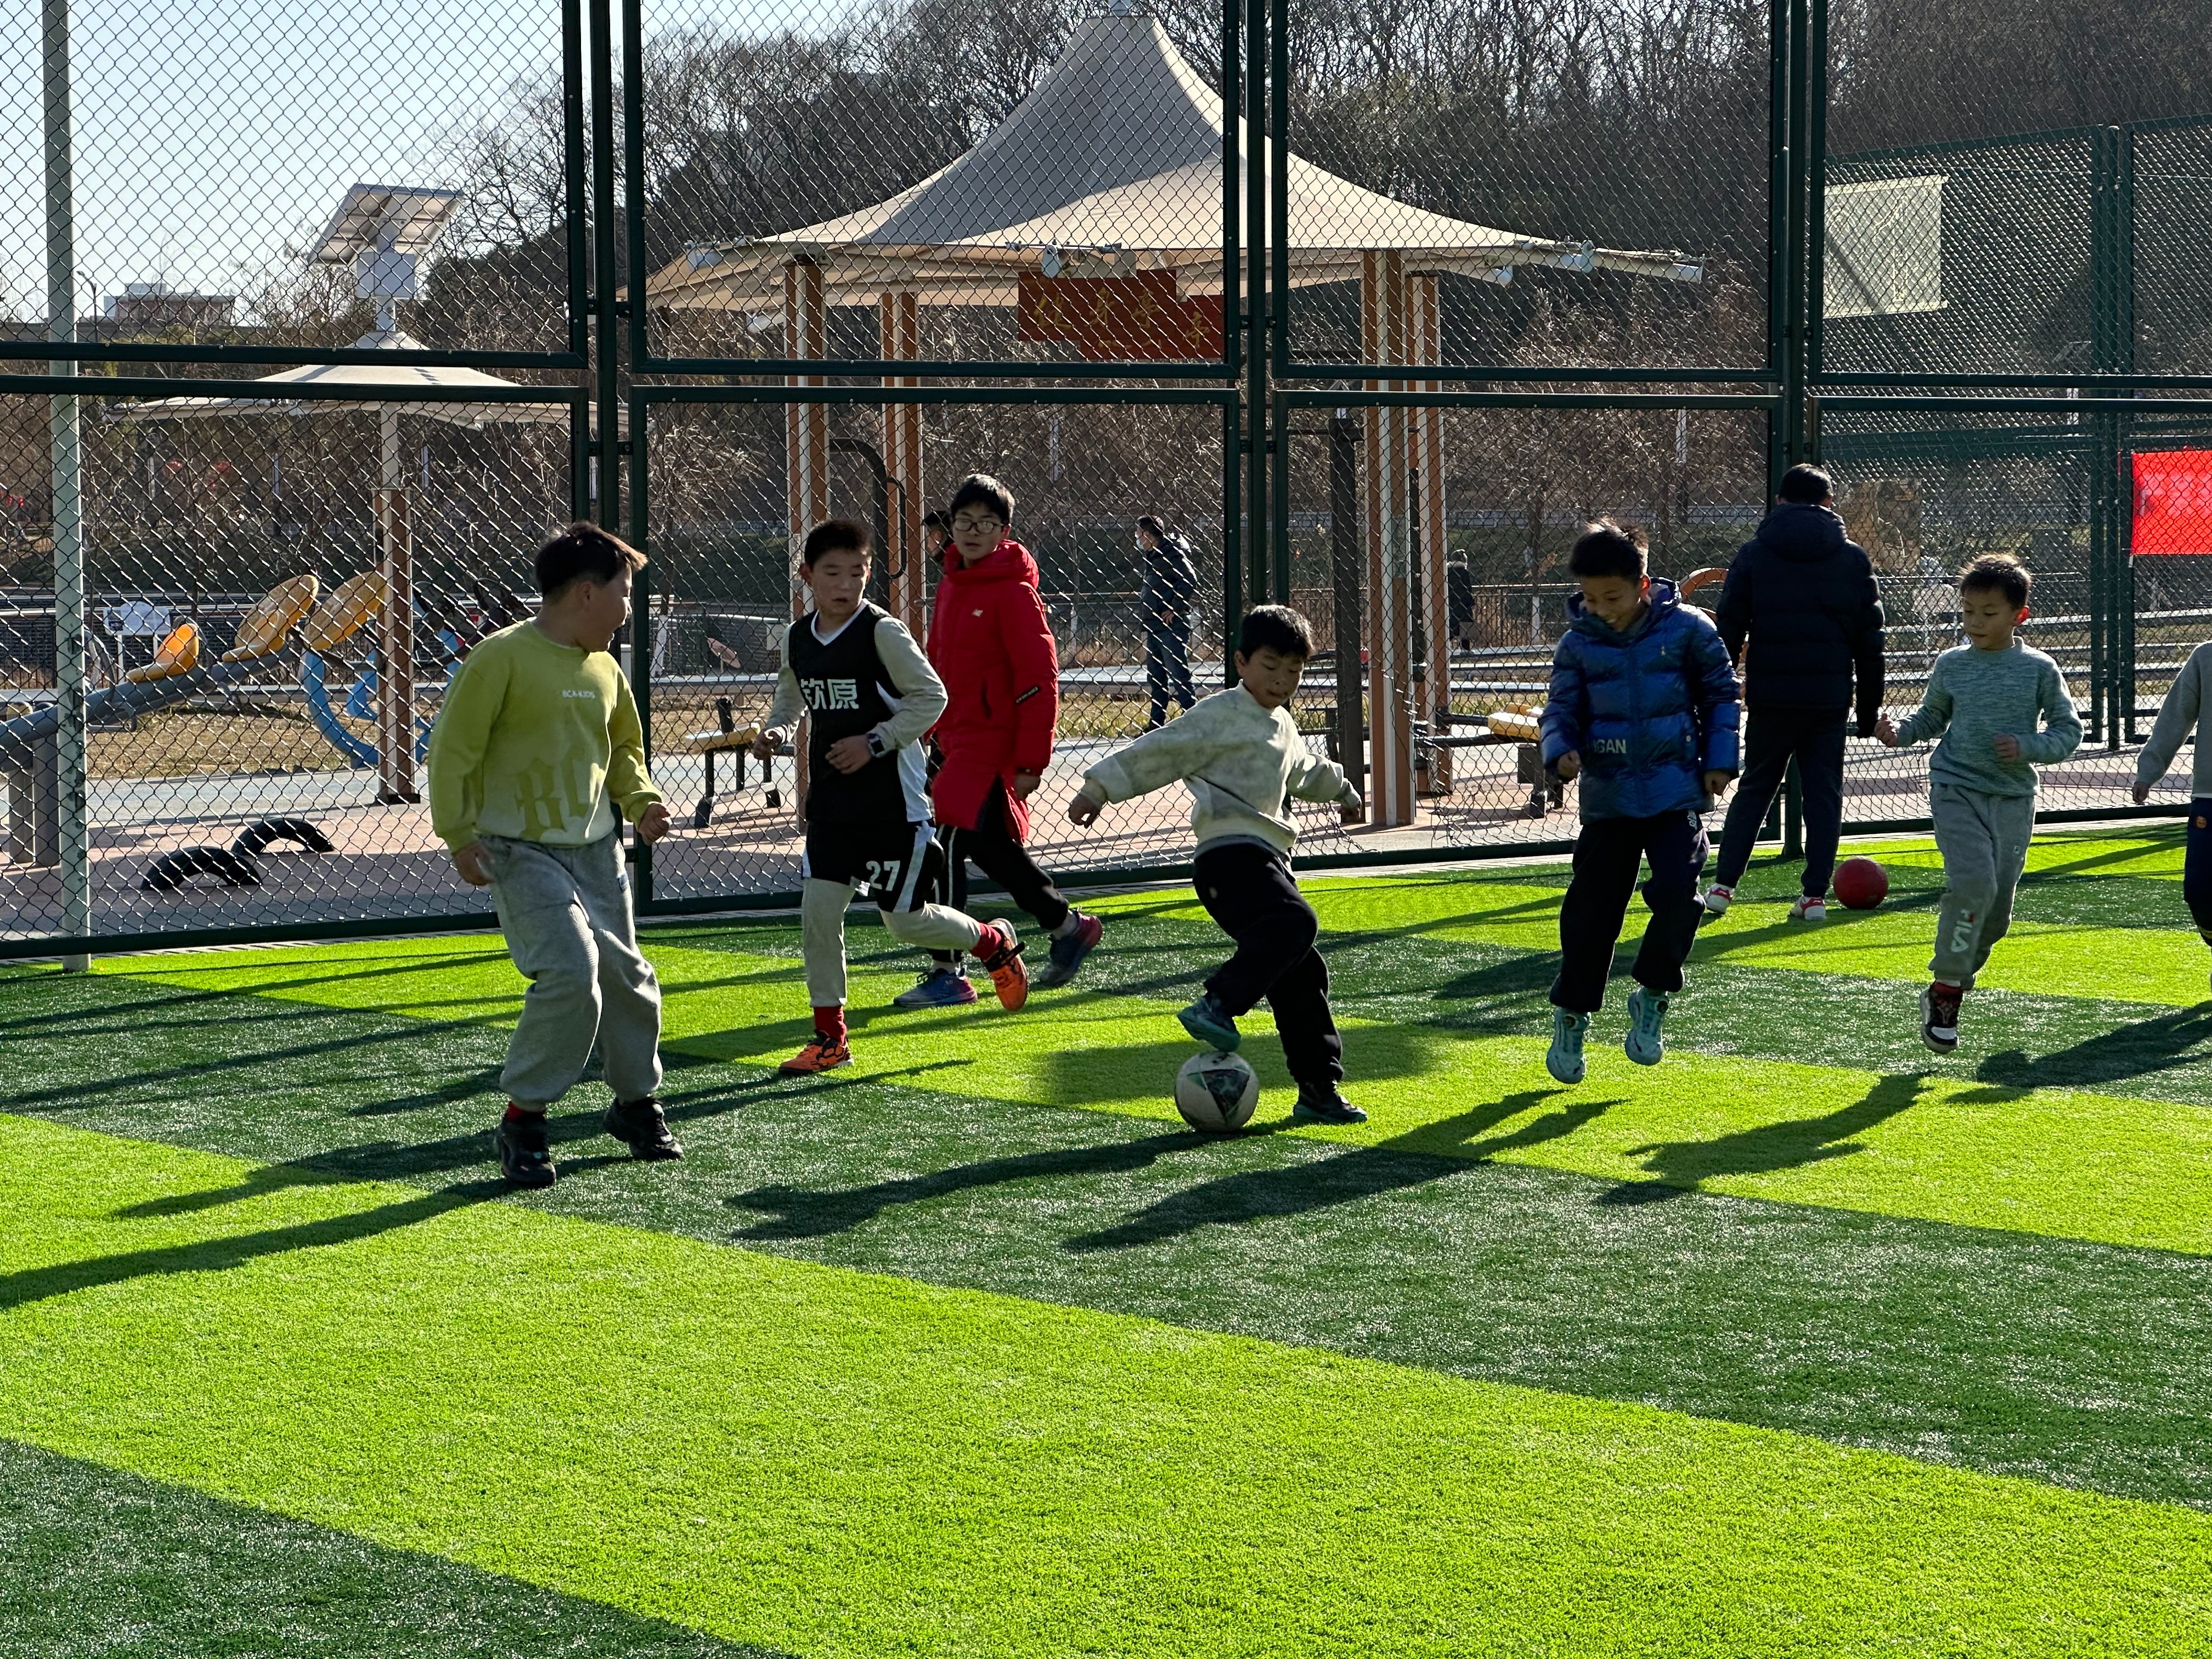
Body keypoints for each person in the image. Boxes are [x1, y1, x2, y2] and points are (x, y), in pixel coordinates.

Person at [426, 522, 680, 1189]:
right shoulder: (499, 658)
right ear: (587, 594)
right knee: (572, 971)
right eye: (625, 593)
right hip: (518, 851)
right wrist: (459, 835)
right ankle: (524, 1121)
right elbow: (453, 752)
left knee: (627, 976)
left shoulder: (606, 669)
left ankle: (635, 1104)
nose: (628, 609)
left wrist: (643, 802)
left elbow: (623, 751)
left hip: (597, 851)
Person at [1068, 605, 1368, 1124]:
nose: (1282, 680)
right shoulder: (1219, 714)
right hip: (1229, 860)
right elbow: (1160, 750)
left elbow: (1304, 769)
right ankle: (1218, 1003)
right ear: (1241, 662)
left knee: (1301, 970)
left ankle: (1318, 1089)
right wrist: (1098, 789)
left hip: (1268, 860)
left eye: (1294, 671)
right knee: (1296, 922)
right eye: (1270, 666)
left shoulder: (1283, 724)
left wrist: (1342, 789)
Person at [753, 520, 1028, 1073]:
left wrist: (875, 742)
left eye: (856, 573)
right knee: (818, 916)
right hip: (833, 806)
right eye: (832, 573)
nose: (844, 584)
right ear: (807, 575)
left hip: (892, 806)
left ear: (868, 573)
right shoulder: (798, 637)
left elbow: (933, 698)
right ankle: (831, 1038)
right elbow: (792, 696)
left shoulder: (882, 632)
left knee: (903, 920)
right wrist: (777, 730)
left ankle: (990, 942)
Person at [1539, 521, 1740, 1085]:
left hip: (1677, 794)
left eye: (1613, 597)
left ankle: (1652, 994)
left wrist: (1719, 761)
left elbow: (1722, 695)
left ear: (1642, 585)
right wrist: (1560, 752)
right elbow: (1560, 709)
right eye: (1591, 598)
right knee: (1592, 912)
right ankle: (1572, 1013)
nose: (1601, 609)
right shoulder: (1578, 644)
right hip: (1610, 799)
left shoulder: (1690, 629)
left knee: (1679, 896)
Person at [1875, 552, 2080, 1053]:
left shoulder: (2039, 668)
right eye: (1968, 611)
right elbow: (1932, 717)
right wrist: (1900, 732)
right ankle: (1946, 991)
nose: (1975, 622)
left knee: (1997, 910)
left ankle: (1953, 983)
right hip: (1956, 788)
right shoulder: (1952, 664)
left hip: (2013, 798)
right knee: (1974, 884)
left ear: (2019, 615)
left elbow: (2068, 731)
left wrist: (2028, 746)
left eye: (1988, 613)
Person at [911, 472, 1104, 1000]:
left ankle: (949, 971)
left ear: (1004, 532)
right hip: (952, 739)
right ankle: (1069, 927)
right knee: (992, 849)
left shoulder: (1016, 592)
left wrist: (1031, 761)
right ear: (951, 527)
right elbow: (939, 665)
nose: (974, 531)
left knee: (943, 840)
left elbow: (1040, 680)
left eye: (987, 523)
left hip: (988, 744)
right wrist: (925, 726)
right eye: (965, 521)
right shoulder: (952, 583)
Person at [1703, 463, 1884, 923]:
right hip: (1828, 695)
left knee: (1756, 787)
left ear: (1780, 501)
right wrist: (1868, 712)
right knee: (1824, 794)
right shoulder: (1852, 559)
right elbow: (1870, 642)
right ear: (1829, 503)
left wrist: (1716, 693)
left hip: (1772, 693)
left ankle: (1723, 886)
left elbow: (1729, 628)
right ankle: (1814, 895)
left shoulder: (1755, 553)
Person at [2131, 637, 2212, 990]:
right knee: (2200, 891)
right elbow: (2174, 718)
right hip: (2209, 799)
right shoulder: (2205, 658)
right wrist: (2149, 770)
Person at [1137, 514, 1198, 729]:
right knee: (1156, 677)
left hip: (1171, 626)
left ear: (1148, 534)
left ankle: (1192, 722)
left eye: (1139, 534)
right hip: (1155, 624)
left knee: (1178, 675)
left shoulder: (1170, 553)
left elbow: (1189, 579)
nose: (1138, 539)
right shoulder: (1153, 556)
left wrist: (1175, 607)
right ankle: (1156, 724)